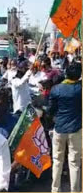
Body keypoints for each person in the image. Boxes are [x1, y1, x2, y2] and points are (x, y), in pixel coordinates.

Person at [48, 63, 82, 192]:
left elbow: (51, 110)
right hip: (76, 129)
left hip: (59, 128)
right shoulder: (80, 89)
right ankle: (75, 190)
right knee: (74, 163)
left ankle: (55, 190)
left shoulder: (56, 89)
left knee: (57, 161)